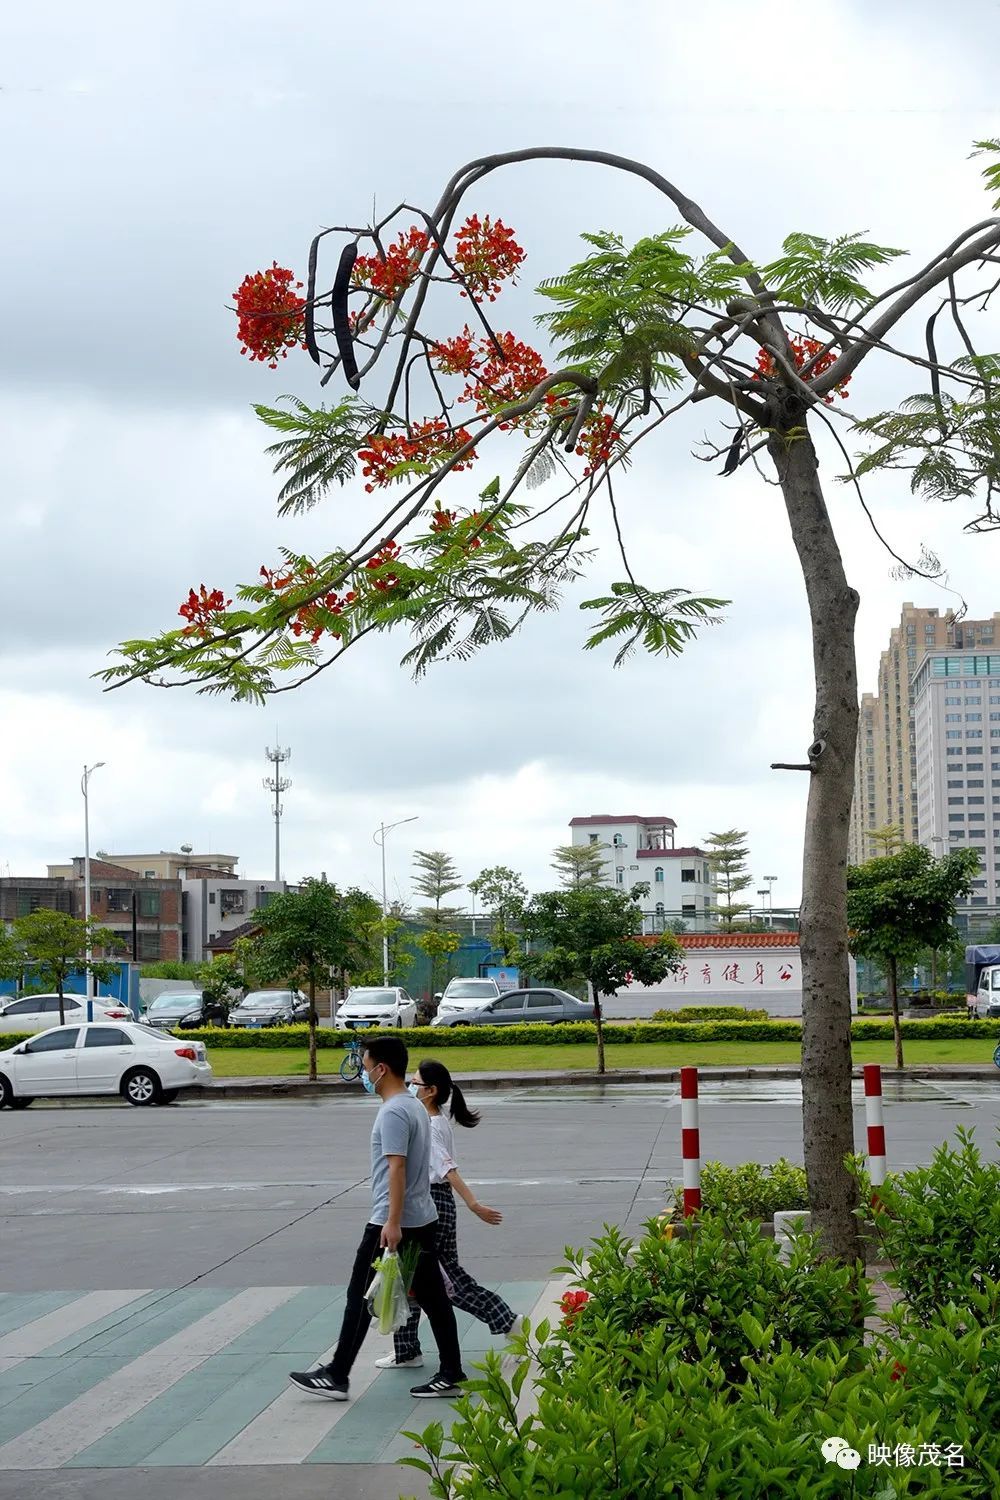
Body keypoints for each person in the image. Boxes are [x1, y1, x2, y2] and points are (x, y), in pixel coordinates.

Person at [288, 1034, 466, 1401]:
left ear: (382, 1068)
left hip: (395, 1222)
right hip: (420, 1217)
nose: (364, 1074)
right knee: (433, 1299)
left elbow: (396, 1168)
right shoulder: (413, 1105)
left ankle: (337, 1374)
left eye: (366, 1067)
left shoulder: (394, 1111)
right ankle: (451, 1372)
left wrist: (392, 1222)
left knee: (359, 1296)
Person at [376, 1057, 515, 1371]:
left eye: (415, 1084)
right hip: (426, 1201)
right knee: (408, 1276)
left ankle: (508, 1321)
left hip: (434, 1203)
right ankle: (406, 1349)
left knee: (445, 1281)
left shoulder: (432, 1125)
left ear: (431, 1091)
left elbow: (448, 1171)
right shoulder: (427, 1118)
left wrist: (474, 1204)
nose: (410, 1087)